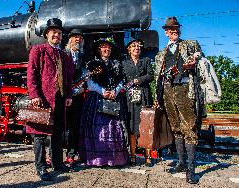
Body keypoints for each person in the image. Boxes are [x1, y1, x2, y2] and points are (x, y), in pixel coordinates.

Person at [155, 17, 203, 184]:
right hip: (168, 90)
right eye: (169, 29)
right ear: (166, 32)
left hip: (184, 88)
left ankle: (191, 169)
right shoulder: (162, 53)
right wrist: (157, 97)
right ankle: (181, 162)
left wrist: (195, 59)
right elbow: (158, 78)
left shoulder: (189, 44)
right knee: (175, 127)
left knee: (189, 127)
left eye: (175, 28)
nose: (173, 30)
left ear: (179, 30)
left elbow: (199, 54)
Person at [26, 18, 75, 181]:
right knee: (39, 134)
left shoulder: (64, 55)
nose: (57, 35)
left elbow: (68, 78)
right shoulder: (38, 50)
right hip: (43, 99)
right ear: (47, 34)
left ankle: (57, 163)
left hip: (60, 98)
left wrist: (68, 95)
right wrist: (34, 95)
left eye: (60, 33)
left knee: (58, 132)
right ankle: (41, 167)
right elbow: (32, 74)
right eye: (54, 32)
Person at [79, 37, 128, 167]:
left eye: (109, 47)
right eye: (104, 47)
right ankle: (97, 158)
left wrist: (115, 91)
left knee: (114, 128)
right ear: (99, 50)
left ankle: (113, 159)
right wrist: (102, 91)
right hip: (97, 98)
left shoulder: (117, 64)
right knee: (97, 128)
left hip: (113, 98)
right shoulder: (92, 64)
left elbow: (121, 81)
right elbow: (89, 82)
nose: (106, 49)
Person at [122, 38, 154, 166]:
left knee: (146, 126)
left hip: (144, 96)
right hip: (130, 98)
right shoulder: (124, 63)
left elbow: (151, 75)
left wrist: (138, 80)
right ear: (129, 49)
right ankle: (133, 155)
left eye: (138, 46)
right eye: (133, 46)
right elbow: (122, 79)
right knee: (132, 126)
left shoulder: (146, 61)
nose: (136, 48)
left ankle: (147, 156)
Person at [64, 29, 87, 163]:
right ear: (69, 40)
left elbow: (86, 75)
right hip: (63, 95)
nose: (77, 39)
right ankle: (52, 154)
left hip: (77, 96)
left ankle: (71, 153)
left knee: (74, 124)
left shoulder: (84, 57)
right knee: (59, 124)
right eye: (74, 37)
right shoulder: (63, 54)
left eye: (80, 38)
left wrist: (80, 88)